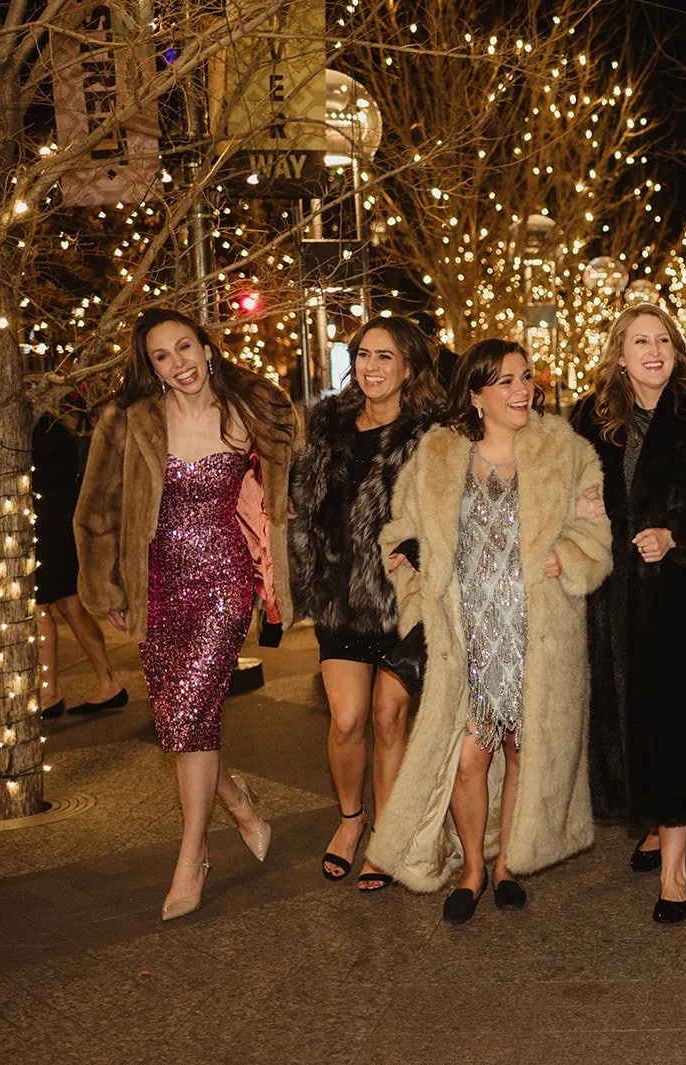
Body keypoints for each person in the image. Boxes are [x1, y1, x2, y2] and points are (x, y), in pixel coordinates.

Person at [366, 340, 611, 924]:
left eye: (526, 378)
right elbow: (399, 530)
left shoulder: (566, 452)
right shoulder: (438, 454)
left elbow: (597, 538)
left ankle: (506, 866)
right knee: (469, 757)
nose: (522, 390)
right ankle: (473, 867)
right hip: (467, 635)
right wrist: (410, 568)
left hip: (537, 634)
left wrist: (567, 557)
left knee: (525, 751)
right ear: (475, 395)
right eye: (504, 382)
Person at [75, 308, 296, 920]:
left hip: (225, 582)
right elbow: (96, 511)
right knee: (179, 723)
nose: (179, 363)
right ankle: (238, 801)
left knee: (192, 712)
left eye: (185, 347)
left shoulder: (254, 411)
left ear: (205, 346)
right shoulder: (130, 421)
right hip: (157, 587)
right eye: (162, 356)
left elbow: (288, 481)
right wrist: (108, 590)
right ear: (151, 368)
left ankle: (190, 856)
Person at [573, 304, 686, 923]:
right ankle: (647, 819)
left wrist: (678, 531)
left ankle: (674, 871)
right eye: (639, 341)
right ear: (619, 353)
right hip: (614, 597)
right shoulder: (590, 420)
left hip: (683, 593)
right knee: (625, 715)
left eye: (663, 340)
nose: (653, 351)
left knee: (678, 726)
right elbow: (567, 490)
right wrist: (583, 513)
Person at [289, 317, 444, 890]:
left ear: (409, 366)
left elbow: (449, 511)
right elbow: (301, 501)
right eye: (364, 355)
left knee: (387, 718)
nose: (372, 367)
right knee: (348, 719)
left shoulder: (432, 437)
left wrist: (420, 550)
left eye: (385, 356)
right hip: (339, 597)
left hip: (401, 601)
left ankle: (388, 832)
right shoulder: (327, 427)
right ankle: (350, 821)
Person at [32, 411, 124, 718]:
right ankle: (108, 682)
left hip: (50, 525)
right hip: (56, 522)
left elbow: (57, 477)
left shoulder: (35, 426)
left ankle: (50, 692)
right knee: (69, 604)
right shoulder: (41, 422)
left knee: (39, 605)